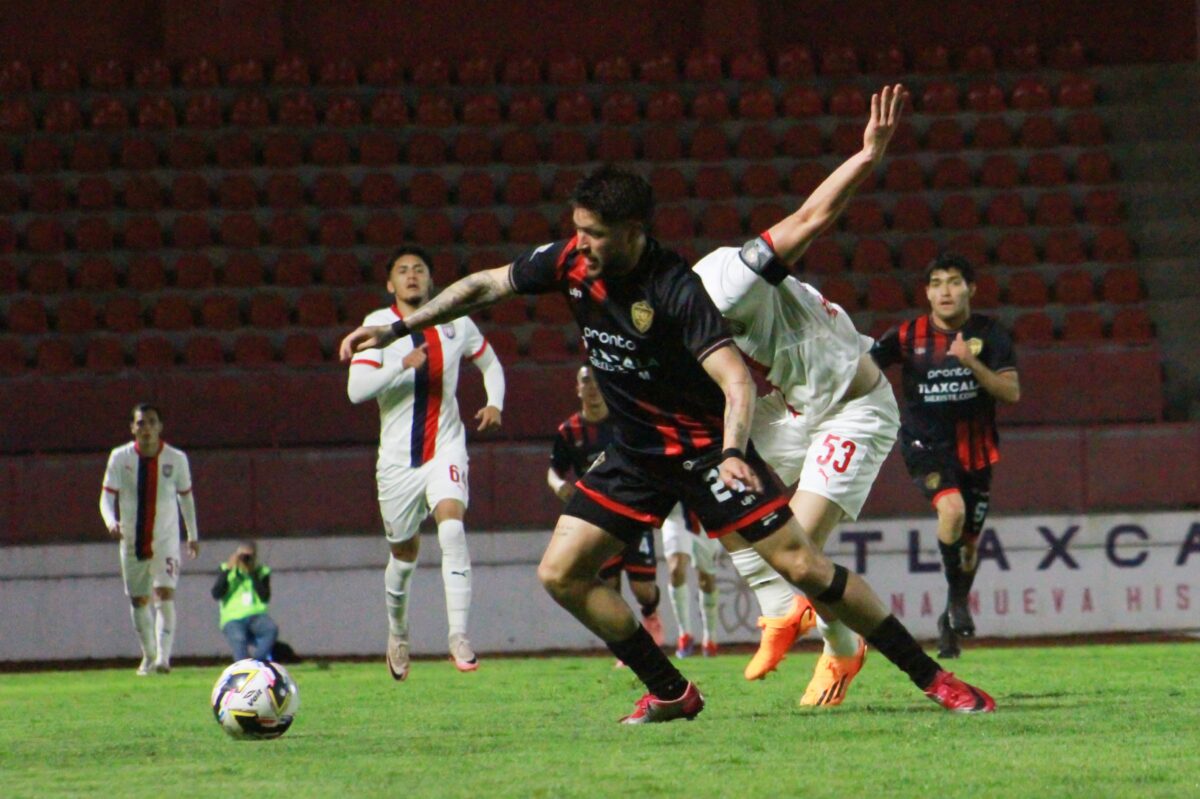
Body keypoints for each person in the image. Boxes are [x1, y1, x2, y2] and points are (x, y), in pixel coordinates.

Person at [341, 165, 995, 722]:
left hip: (706, 449)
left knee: (805, 568)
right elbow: (487, 283)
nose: (581, 242)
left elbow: (736, 379)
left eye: (595, 233)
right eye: (579, 228)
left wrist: (736, 450)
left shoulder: (678, 289)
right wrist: (401, 328)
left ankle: (933, 677)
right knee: (561, 574)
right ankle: (672, 691)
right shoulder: (569, 261)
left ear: (633, 233)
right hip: (635, 453)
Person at [690, 84, 906, 707]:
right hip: (794, 406)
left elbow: (811, 218)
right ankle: (781, 608)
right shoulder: (671, 323)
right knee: (713, 491)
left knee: (799, 548)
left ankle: (842, 649)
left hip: (854, 408)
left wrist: (867, 156)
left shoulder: (726, 281)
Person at [347, 246, 506, 681]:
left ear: (431, 280)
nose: (412, 276)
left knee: (452, 527)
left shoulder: (456, 321)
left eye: (419, 269)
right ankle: (398, 633)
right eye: (402, 270)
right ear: (390, 284)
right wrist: (401, 364)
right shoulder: (377, 326)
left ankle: (459, 636)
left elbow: (491, 364)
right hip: (398, 462)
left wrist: (495, 402)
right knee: (404, 555)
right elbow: (357, 390)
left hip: (445, 447)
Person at [871, 254, 1020, 658]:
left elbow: (1010, 392)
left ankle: (951, 611)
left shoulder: (990, 334)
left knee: (969, 547)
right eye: (936, 283)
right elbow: (863, 369)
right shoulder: (907, 336)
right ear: (927, 292)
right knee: (951, 512)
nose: (945, 291)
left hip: (977, 451)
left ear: (970, 288)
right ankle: (956, 605)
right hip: (924, 445)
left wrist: (971, 363)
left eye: (954, 282)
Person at [547, 365, 666, 652]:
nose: (592, 387)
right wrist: (557, 485)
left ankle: (650, 612)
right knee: (608, 586)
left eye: (597, 381)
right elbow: (554, 471)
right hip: (597, 517)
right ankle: (632, 647)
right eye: (586, 381)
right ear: (577, 388)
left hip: (632, 511)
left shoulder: (622, 422)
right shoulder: (569, 431)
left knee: (643, 590)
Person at [99, 403, 200, 675]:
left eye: (152, 422)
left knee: (165, 594)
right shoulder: (119, 458)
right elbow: (106, 497)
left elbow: (185, 496)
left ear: (160, 427)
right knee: (138, 600)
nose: (146, 428)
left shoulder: (176, 459)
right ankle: (148, 655)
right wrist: (111, 521)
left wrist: (192, 534)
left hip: (166, 538)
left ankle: (163, 659)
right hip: (132, 539)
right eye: (141, 423)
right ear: (132, 428)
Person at [659, 502, 720, 658]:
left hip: (703, 515)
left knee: (706, 578)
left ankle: (710, 637)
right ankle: (684, 634)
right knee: (676, 569)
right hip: (675, 515)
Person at [211, 541, 278, 662]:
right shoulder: (226, 570)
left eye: (249, 557)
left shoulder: (261, 571)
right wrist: (228, 570)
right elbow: (216, 593)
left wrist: (252, 573)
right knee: (239, 638)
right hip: (233, 617)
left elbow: (265, 597)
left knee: (270, 629)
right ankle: (243, 666)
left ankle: (258, 662)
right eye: (243, 556)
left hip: (256, 615)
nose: (245, 560)